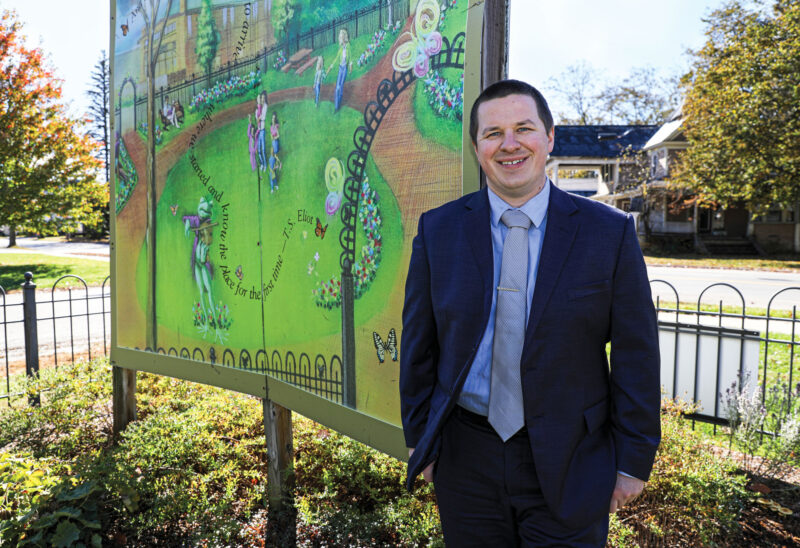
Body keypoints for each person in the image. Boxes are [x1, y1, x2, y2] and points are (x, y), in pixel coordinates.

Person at [400, 79, 660, 547]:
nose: (510, 144)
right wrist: (422, 440)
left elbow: (636, 356)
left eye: (524, 128)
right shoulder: (439, 231)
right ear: (478, 146)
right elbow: (420, 345)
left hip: (572, 458)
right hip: (466, 458)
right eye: (493, 133)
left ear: (550, 137)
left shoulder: (609, 234)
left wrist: (632, 461)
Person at [327, 29, 351, 112]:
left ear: (345, 37)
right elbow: (337, 58)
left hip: (345, 69)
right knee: (337, 88)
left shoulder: (348, 46)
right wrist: (331, 66)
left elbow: (350, 57)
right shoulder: (340, 48)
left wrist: (350, 66)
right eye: (340, 37)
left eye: (342, 36)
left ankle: (338, 106)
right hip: (340, 68)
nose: (341, 38)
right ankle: (336, 106)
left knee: (340, 87)